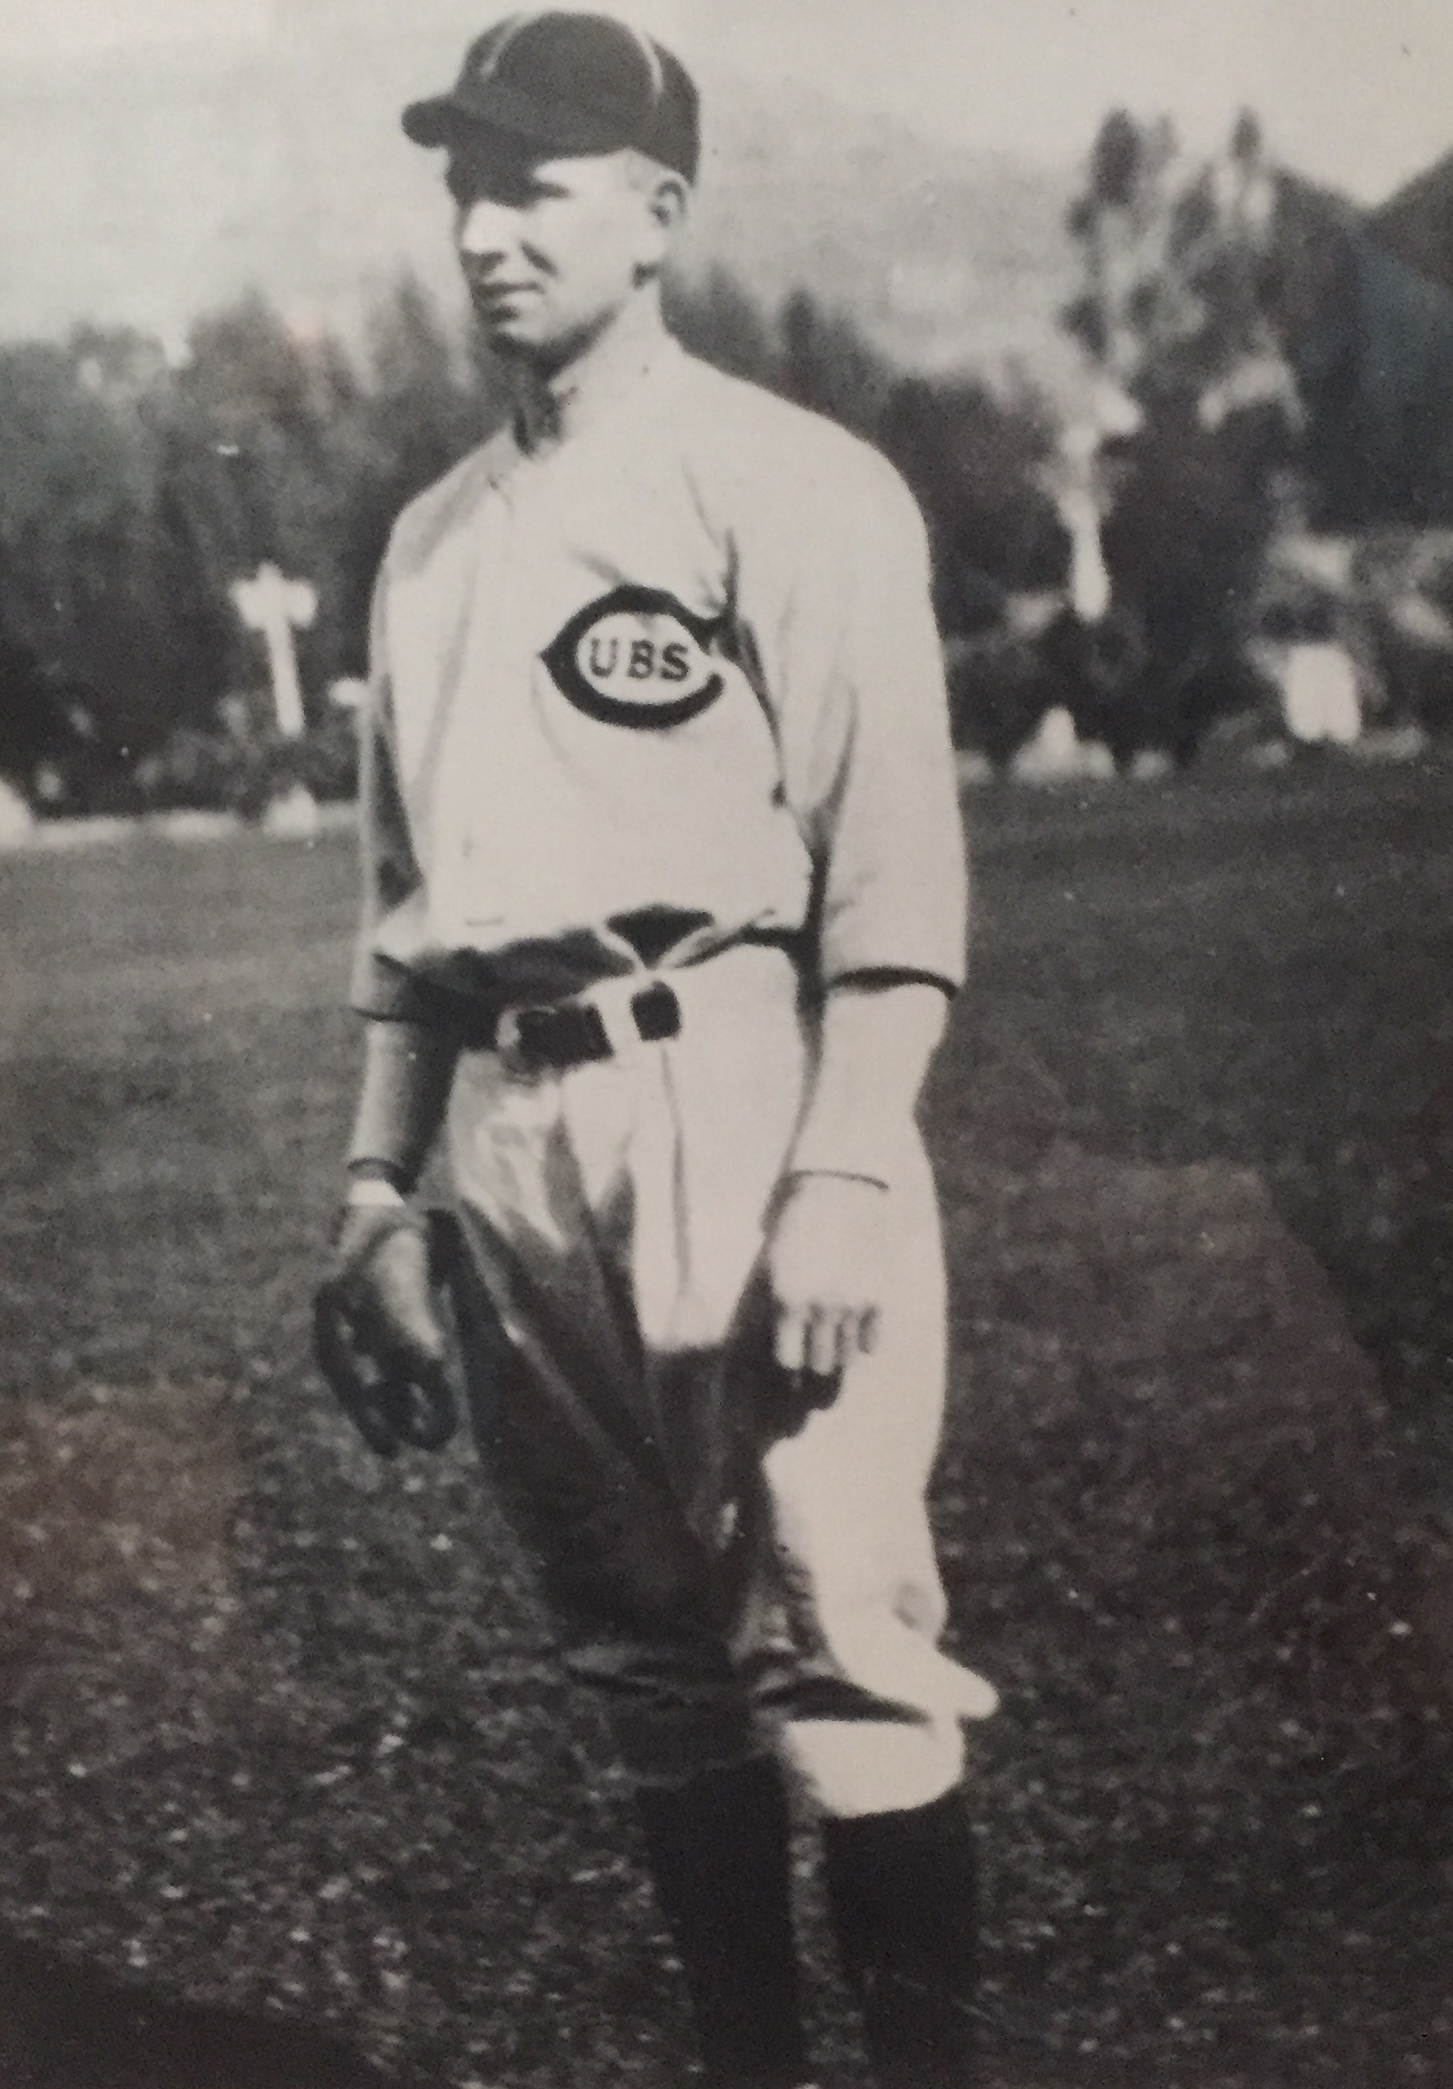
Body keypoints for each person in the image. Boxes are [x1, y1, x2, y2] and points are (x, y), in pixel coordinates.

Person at [326, 13, 998, 2085]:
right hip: (512, 1140)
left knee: (844, 1635)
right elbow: (402, 919)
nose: (485, 226)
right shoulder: (429, 543)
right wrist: (370, 1185)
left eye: (535, 182)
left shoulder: (788, 484)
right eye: (465, 181)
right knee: (641, 1663)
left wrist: (844, 1173)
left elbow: (892, 888)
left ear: (659, 213)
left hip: (738, 1080)